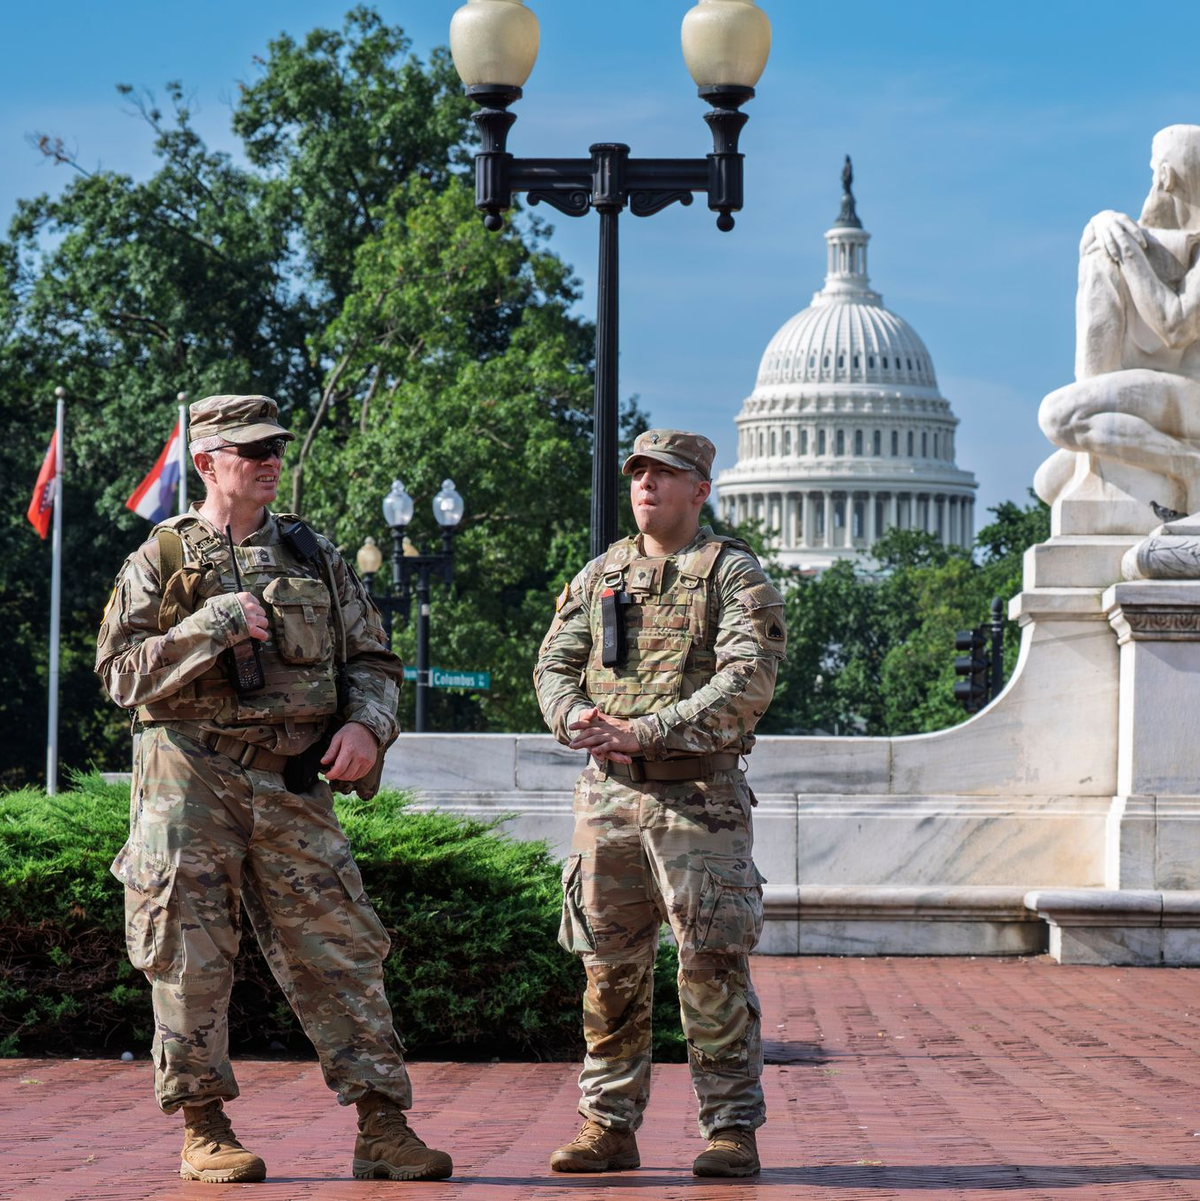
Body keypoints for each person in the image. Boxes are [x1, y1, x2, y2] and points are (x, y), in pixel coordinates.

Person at [95, 394, 451, 1184]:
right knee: (189, 954)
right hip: (190, 779)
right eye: (249, 449)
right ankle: (203, 1126)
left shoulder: (311, 554)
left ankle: (383, 1124)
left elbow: (373, 662)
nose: (268, 461)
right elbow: (120, 674)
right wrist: (212, 623)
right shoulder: (161, 559)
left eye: (274, 447)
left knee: (343, 948)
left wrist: (367, 727)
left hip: (292, 783)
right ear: (207, 462)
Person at [534, 429, 786, 1179]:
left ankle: (731, 1126)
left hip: (697, 800)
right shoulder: (601, 572)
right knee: (606, 968)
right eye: (639, 472)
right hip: (607, 796)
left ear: (699, 489)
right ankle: (608, 1122)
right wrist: (571, 715)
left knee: (710, 964)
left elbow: (747, 683)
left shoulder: (732, 575)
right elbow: (554, 660)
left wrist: (644, 728)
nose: (645, 485)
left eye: (664, 474)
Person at [1037, 124, 1200, 513]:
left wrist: (1126, 250)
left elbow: (1177, 326)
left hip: (1193, 398)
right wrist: (1102, 223)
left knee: (1058, 417)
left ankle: (1190, 467)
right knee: (1048, 482)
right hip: (1175, 395)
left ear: (1165, 175)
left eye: (1152, 172)